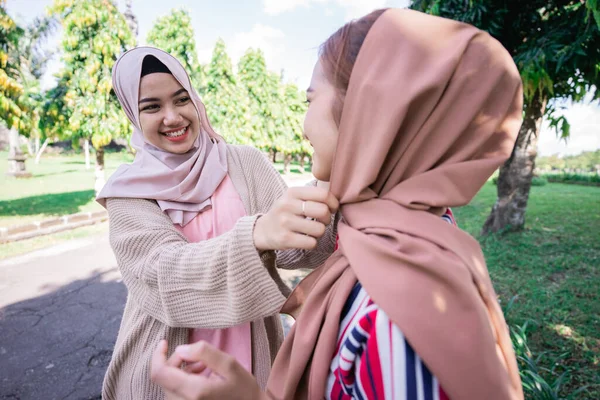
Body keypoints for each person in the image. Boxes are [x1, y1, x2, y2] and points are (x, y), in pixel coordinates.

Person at [150, 8, 525, 400]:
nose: (303, 124)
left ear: (368, 112)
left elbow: (297, 247)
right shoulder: (403, 233)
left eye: (311, 100)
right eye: (151, 106)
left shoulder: (394, 316)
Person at [96, 47, 339, 399]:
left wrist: (332, 173)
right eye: (152, 106)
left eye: (181, 100)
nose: (172, 117)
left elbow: (297, 247)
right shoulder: (127, 193)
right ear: (133, 115)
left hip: (249, 358)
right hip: (166, 369)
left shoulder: (244, 163)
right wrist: (254, 235)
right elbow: (161, 276)